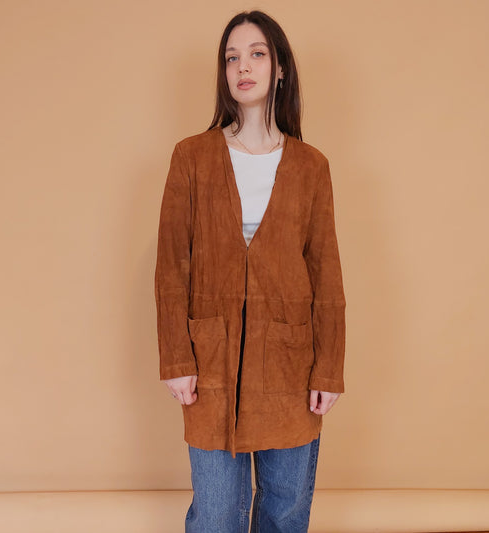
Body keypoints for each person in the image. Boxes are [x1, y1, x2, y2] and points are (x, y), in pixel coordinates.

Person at [154, 10, 346, 533]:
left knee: (285, 511)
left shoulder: (311, 166)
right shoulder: (191, 157)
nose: (243, 66)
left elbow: (326, 273)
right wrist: (176, 358)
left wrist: (329, 368)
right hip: (210, 363)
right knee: (216, 514)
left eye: (257, 54)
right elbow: (171, 263)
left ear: (279, 68)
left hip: (291, 364)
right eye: (232, 57)